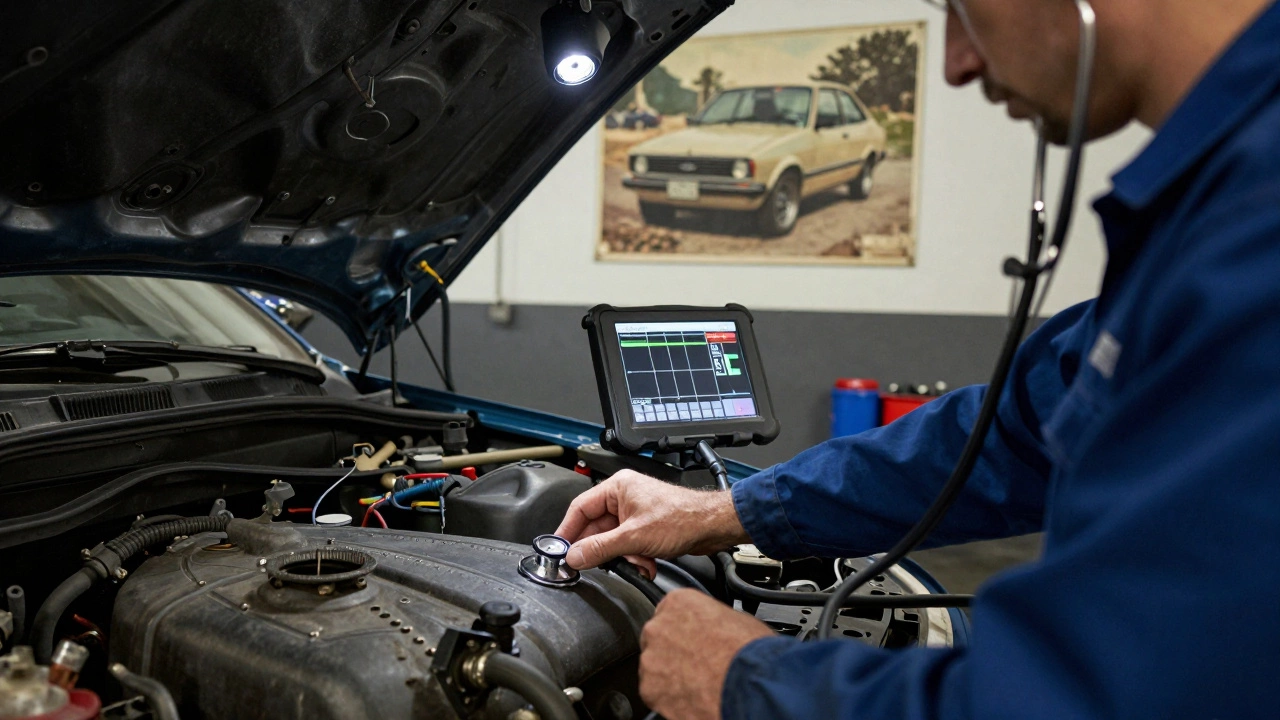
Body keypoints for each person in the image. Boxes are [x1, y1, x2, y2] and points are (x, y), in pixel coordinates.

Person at [555, 0, 1280, 718]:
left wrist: (746, 681)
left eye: (962, 10)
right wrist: (726, 510)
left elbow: (1113, 694)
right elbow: (1002, 436)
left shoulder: (1256, 231)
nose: (957, 63)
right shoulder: (1211, 211)